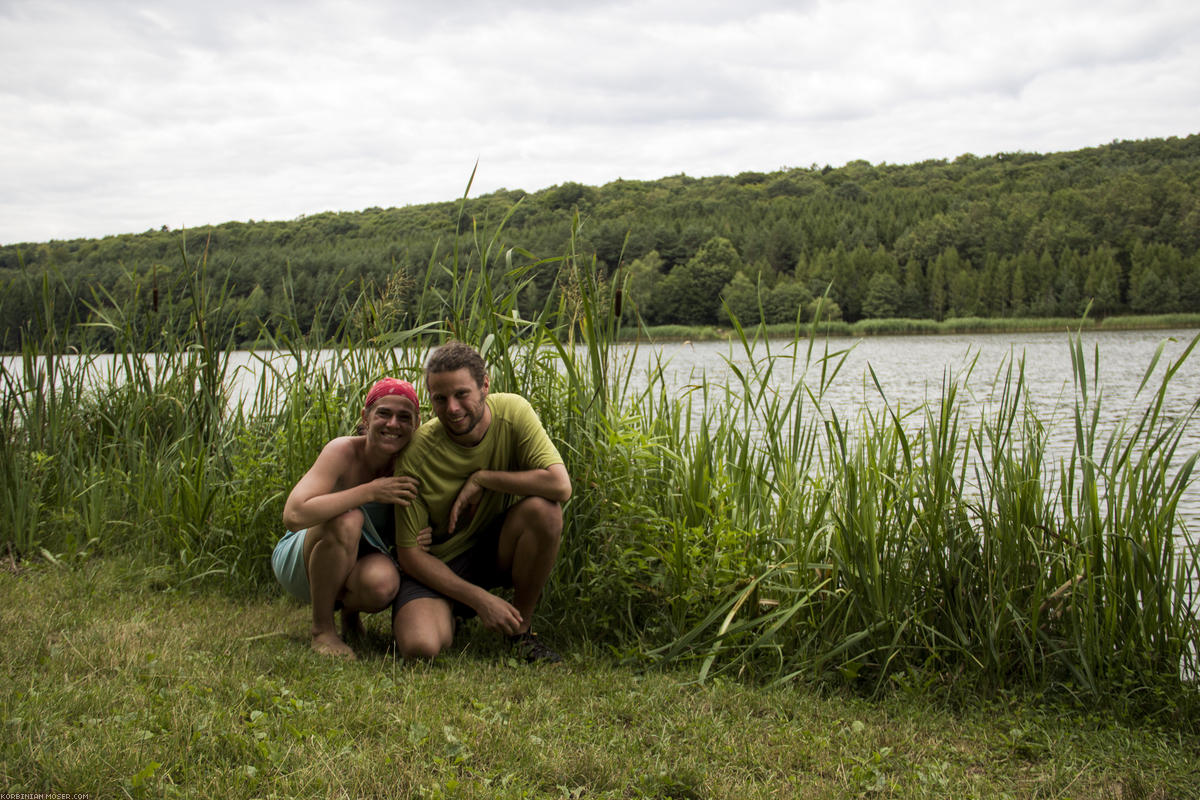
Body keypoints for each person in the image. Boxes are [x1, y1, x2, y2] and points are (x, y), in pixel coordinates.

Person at [391, 341, 571, 662]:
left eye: (462, 394)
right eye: (440, 399)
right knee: (421, 648)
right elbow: (410, 556)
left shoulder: (513, 413)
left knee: (545, 512)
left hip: (493, 549)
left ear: (484, 385)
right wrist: (479, 600)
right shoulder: (416, 456)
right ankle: (453, 612)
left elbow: (560, 486)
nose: (453, 409)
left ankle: (520, 633)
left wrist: (484, 478)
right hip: (439, 564)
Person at [272, 378, 430, 659]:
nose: (393, 424)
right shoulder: (342, 451)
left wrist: (426, 534)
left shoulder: (412, 464)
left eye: (404, 417)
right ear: (365, 417)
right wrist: (369, 492)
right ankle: (322, 630)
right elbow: (294, 515)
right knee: (348, 519)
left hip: (359, 557)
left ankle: (350, 615)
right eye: (383, 413)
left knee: (383, 585)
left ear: (416, 425)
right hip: (302, 557)